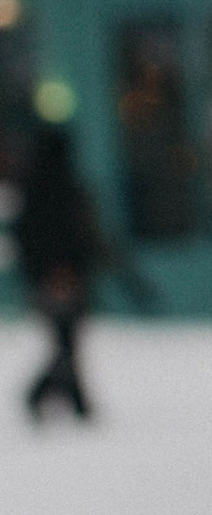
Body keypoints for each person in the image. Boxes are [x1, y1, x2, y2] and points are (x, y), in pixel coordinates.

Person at [17, 122, 106, 422]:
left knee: (66, 342)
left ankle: (75, 401)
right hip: (62, 280)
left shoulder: (34, 190)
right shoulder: (61, 188)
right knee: (66, 343)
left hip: (52, 279)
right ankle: (42, 394)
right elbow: (74, 236)